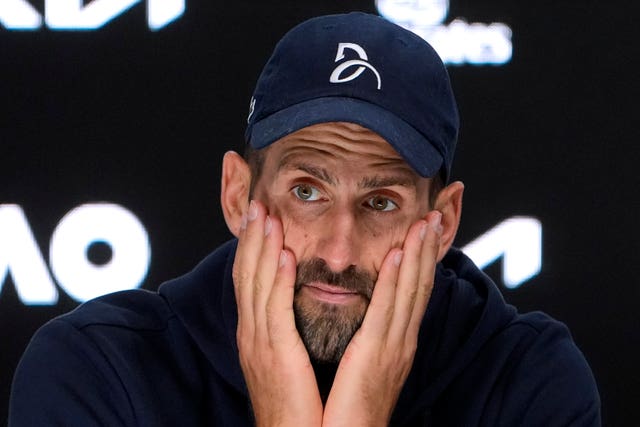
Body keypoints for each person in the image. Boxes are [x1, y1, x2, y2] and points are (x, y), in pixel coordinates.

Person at [9, 12, 600, 426]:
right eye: (307, 192)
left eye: (381, 202)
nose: (339, 253)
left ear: (442, 223)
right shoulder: (98, 372)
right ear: (239, 196)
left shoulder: (526, 381)